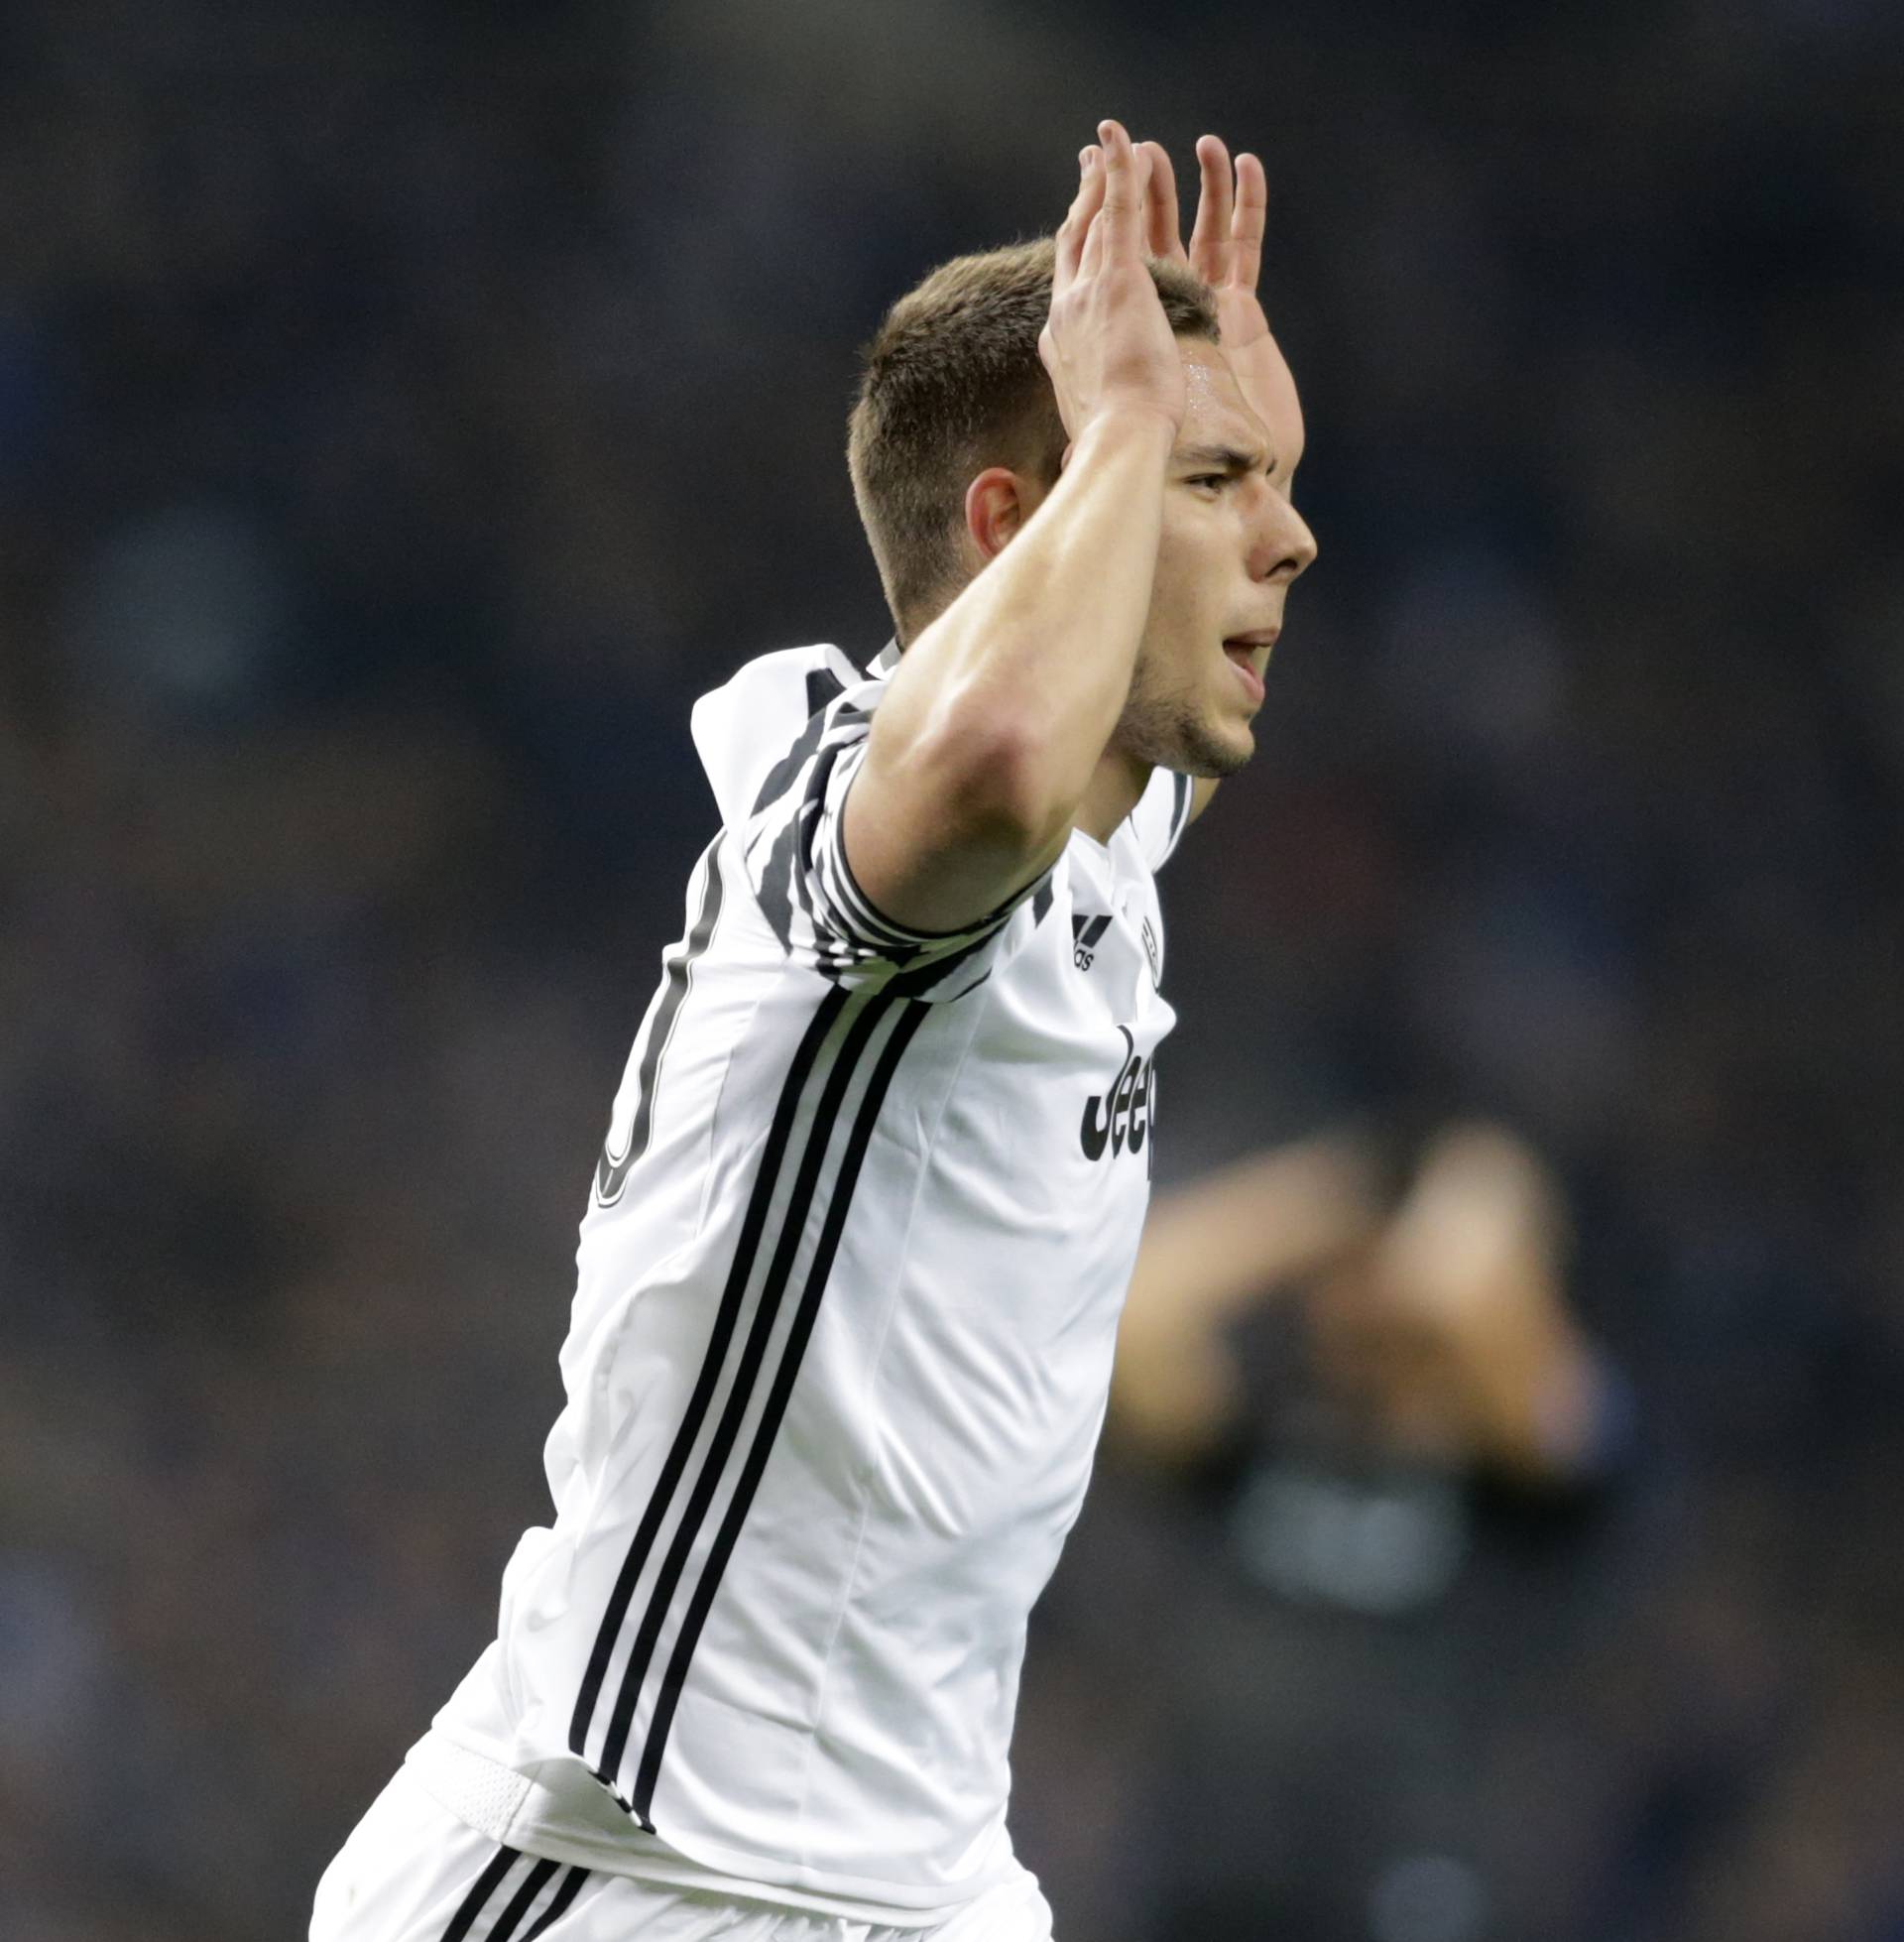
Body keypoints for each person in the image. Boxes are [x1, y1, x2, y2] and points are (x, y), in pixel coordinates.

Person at [310, 119, 1317, 1942]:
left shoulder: (1103, 830)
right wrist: (1127, 447)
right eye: (1214, 477)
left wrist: (1200, 422)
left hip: (916, 1886)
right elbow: (997, 746)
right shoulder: (866, 829)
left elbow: (1095, 734)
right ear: (1020, 522)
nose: (1295, 538)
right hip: (635, 1872)